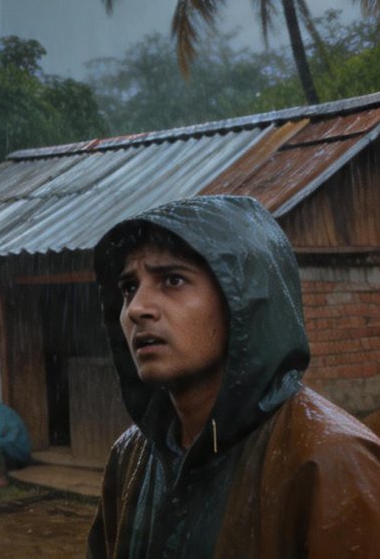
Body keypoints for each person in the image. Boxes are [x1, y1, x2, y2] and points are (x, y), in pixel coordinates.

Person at [89, 194, 380, 558]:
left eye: (173, 280)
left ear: (241, 298)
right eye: (129, 287)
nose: (137, 309)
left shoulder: (331, 462)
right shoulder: (131, 455)